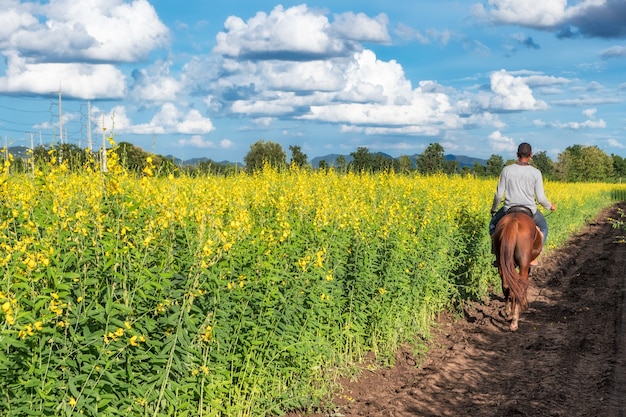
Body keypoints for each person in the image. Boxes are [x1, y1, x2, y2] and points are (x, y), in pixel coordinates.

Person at [489, 142, 556, 263]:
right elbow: (540, 198)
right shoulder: (536, 173)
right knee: (544, 227)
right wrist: (550, 206)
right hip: (529, 210)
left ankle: (496, 253)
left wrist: (494, 208)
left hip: (509, 209)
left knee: (493, 225)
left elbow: (499, 194)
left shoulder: (506, 170)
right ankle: (534, 256)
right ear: (531, 155)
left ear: (517, 154)